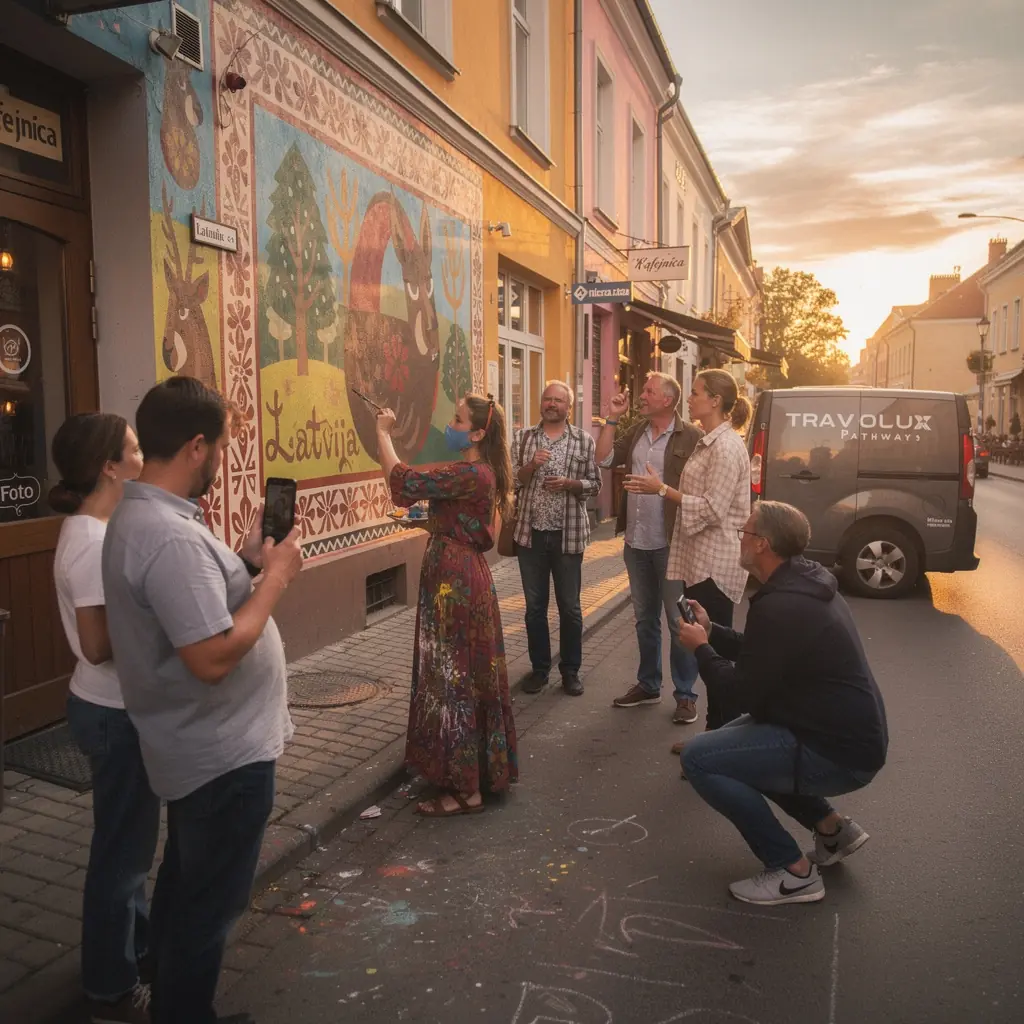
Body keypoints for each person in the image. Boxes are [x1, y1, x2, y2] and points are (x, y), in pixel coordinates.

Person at [102, 376, 303, 1024]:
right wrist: (273, 579)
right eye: (217, 445)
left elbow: (191, 611)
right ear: (195, 446)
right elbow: (211, 656)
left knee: (188, 889)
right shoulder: (168, 537)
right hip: (222, 760)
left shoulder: (147, 520)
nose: (220, 458)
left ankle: (172, 995)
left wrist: (242, 565)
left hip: (200, 752)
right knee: (206, 912)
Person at [676, 501, 888, 906]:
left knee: (700, 758)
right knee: (729, 746)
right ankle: (832, 831)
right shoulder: (802, 584)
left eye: (746, 532)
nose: (741, 538)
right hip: (839, 735)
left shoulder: (782, 605)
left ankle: (792, 871)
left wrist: (700, 650)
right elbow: (762, 656)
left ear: (763, 544)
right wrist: (712, 631)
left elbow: (738, 693)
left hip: (837, 751)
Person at [51, 414, 157, 1024]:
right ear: (110, 467)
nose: (143, 456)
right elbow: (97, 643)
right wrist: (161, 620)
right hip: (111, 714)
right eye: (135, 449)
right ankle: (109, 988)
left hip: (111, 709)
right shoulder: (91, 541)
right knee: (120, 856)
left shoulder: (92, 530)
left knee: (127, 848)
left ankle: (134, 951)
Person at [376, 393, 518, 817]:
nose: (450, 425)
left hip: (454, 582)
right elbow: (461, 517)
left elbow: (402, 485)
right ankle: (473, 777)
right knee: (466, 676)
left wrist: (382, 435)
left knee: (453, 677)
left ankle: (465, 790)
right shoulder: (481, 472)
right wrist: (432, 520)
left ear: (477, 432)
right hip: (461, 573)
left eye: (457, 420)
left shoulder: (471, 472)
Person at [628, 368, 752, 733]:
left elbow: (713, 508)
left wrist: (661, 489)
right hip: (700, 562)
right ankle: (715, 736)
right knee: (708, 649)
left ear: (715, 400)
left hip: (715, 565)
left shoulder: (727, 447)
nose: (691, 397)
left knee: (713, 653)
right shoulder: (710, 440)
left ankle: (719, 737)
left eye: (697, 392)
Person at [595, 372, 702, 722]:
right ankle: (648, 684)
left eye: (648, 390)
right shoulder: (637, 430)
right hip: (636, 540)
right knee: (644, 620)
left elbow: (700, 492)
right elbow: (604, 459)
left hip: (671, 543)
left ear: (668, 400)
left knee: (678, 621)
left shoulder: (693, 437)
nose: (641, 395)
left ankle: (686, 694)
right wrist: (612, 417)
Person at [510, 381, 601, 697]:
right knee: (535, 607)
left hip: (568, 537)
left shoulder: (583, 440)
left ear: (568, 407)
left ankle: (570, 671)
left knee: (570, 608)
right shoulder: (523, 439)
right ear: (540, 403)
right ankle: (539, 670)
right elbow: (512, 481)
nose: (551, 404)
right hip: (530, 535)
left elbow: (595, 484)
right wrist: (530, 466)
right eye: (547, 398)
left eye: (558, 400)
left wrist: (569, 483)